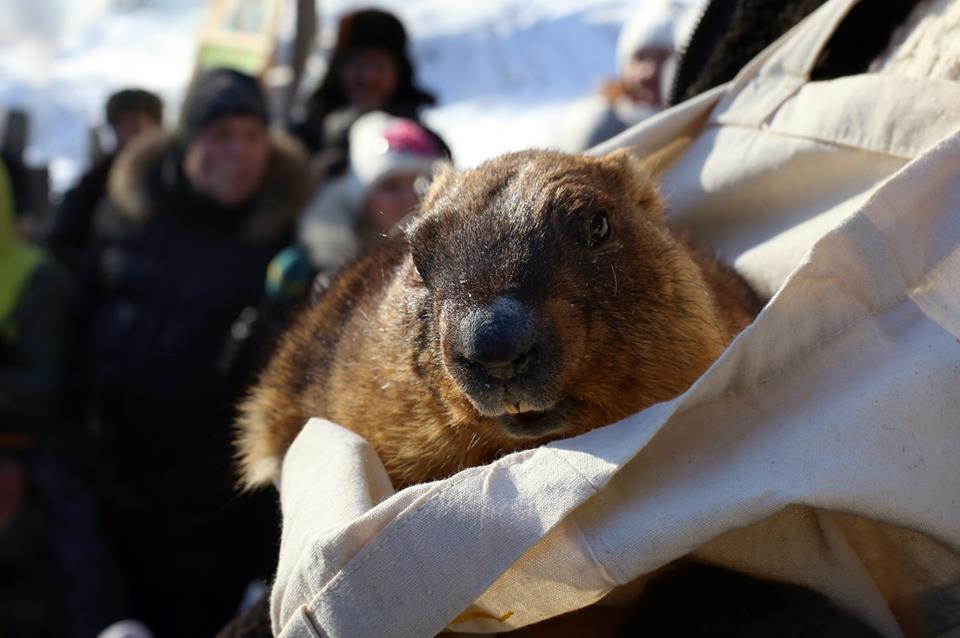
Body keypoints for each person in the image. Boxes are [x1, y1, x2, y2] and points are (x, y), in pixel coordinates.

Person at [80, 68, 312, 637]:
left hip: (218, 530)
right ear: (189, 140)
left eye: (253, 136)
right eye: (222, 135)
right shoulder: (125, 216)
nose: (240, 152)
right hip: (112, 512)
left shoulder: (283, 243)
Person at [290, 8, 446, 176]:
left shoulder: (426, 144)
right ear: (338, 69)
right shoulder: (303, 140)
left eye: (380, 66)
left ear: (399, 74)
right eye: (359, 64)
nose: (369, 77)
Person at [46, 89, 163, 271]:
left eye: (146, 124)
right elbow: (63, 244)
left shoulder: (177, 180)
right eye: (128, 125)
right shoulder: (94, 184)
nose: (139, 133)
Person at [561, 0, 686, 151]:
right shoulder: (597, 128)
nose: (648, 72)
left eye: (664, 58)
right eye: (641, 58)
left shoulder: (696, 128)